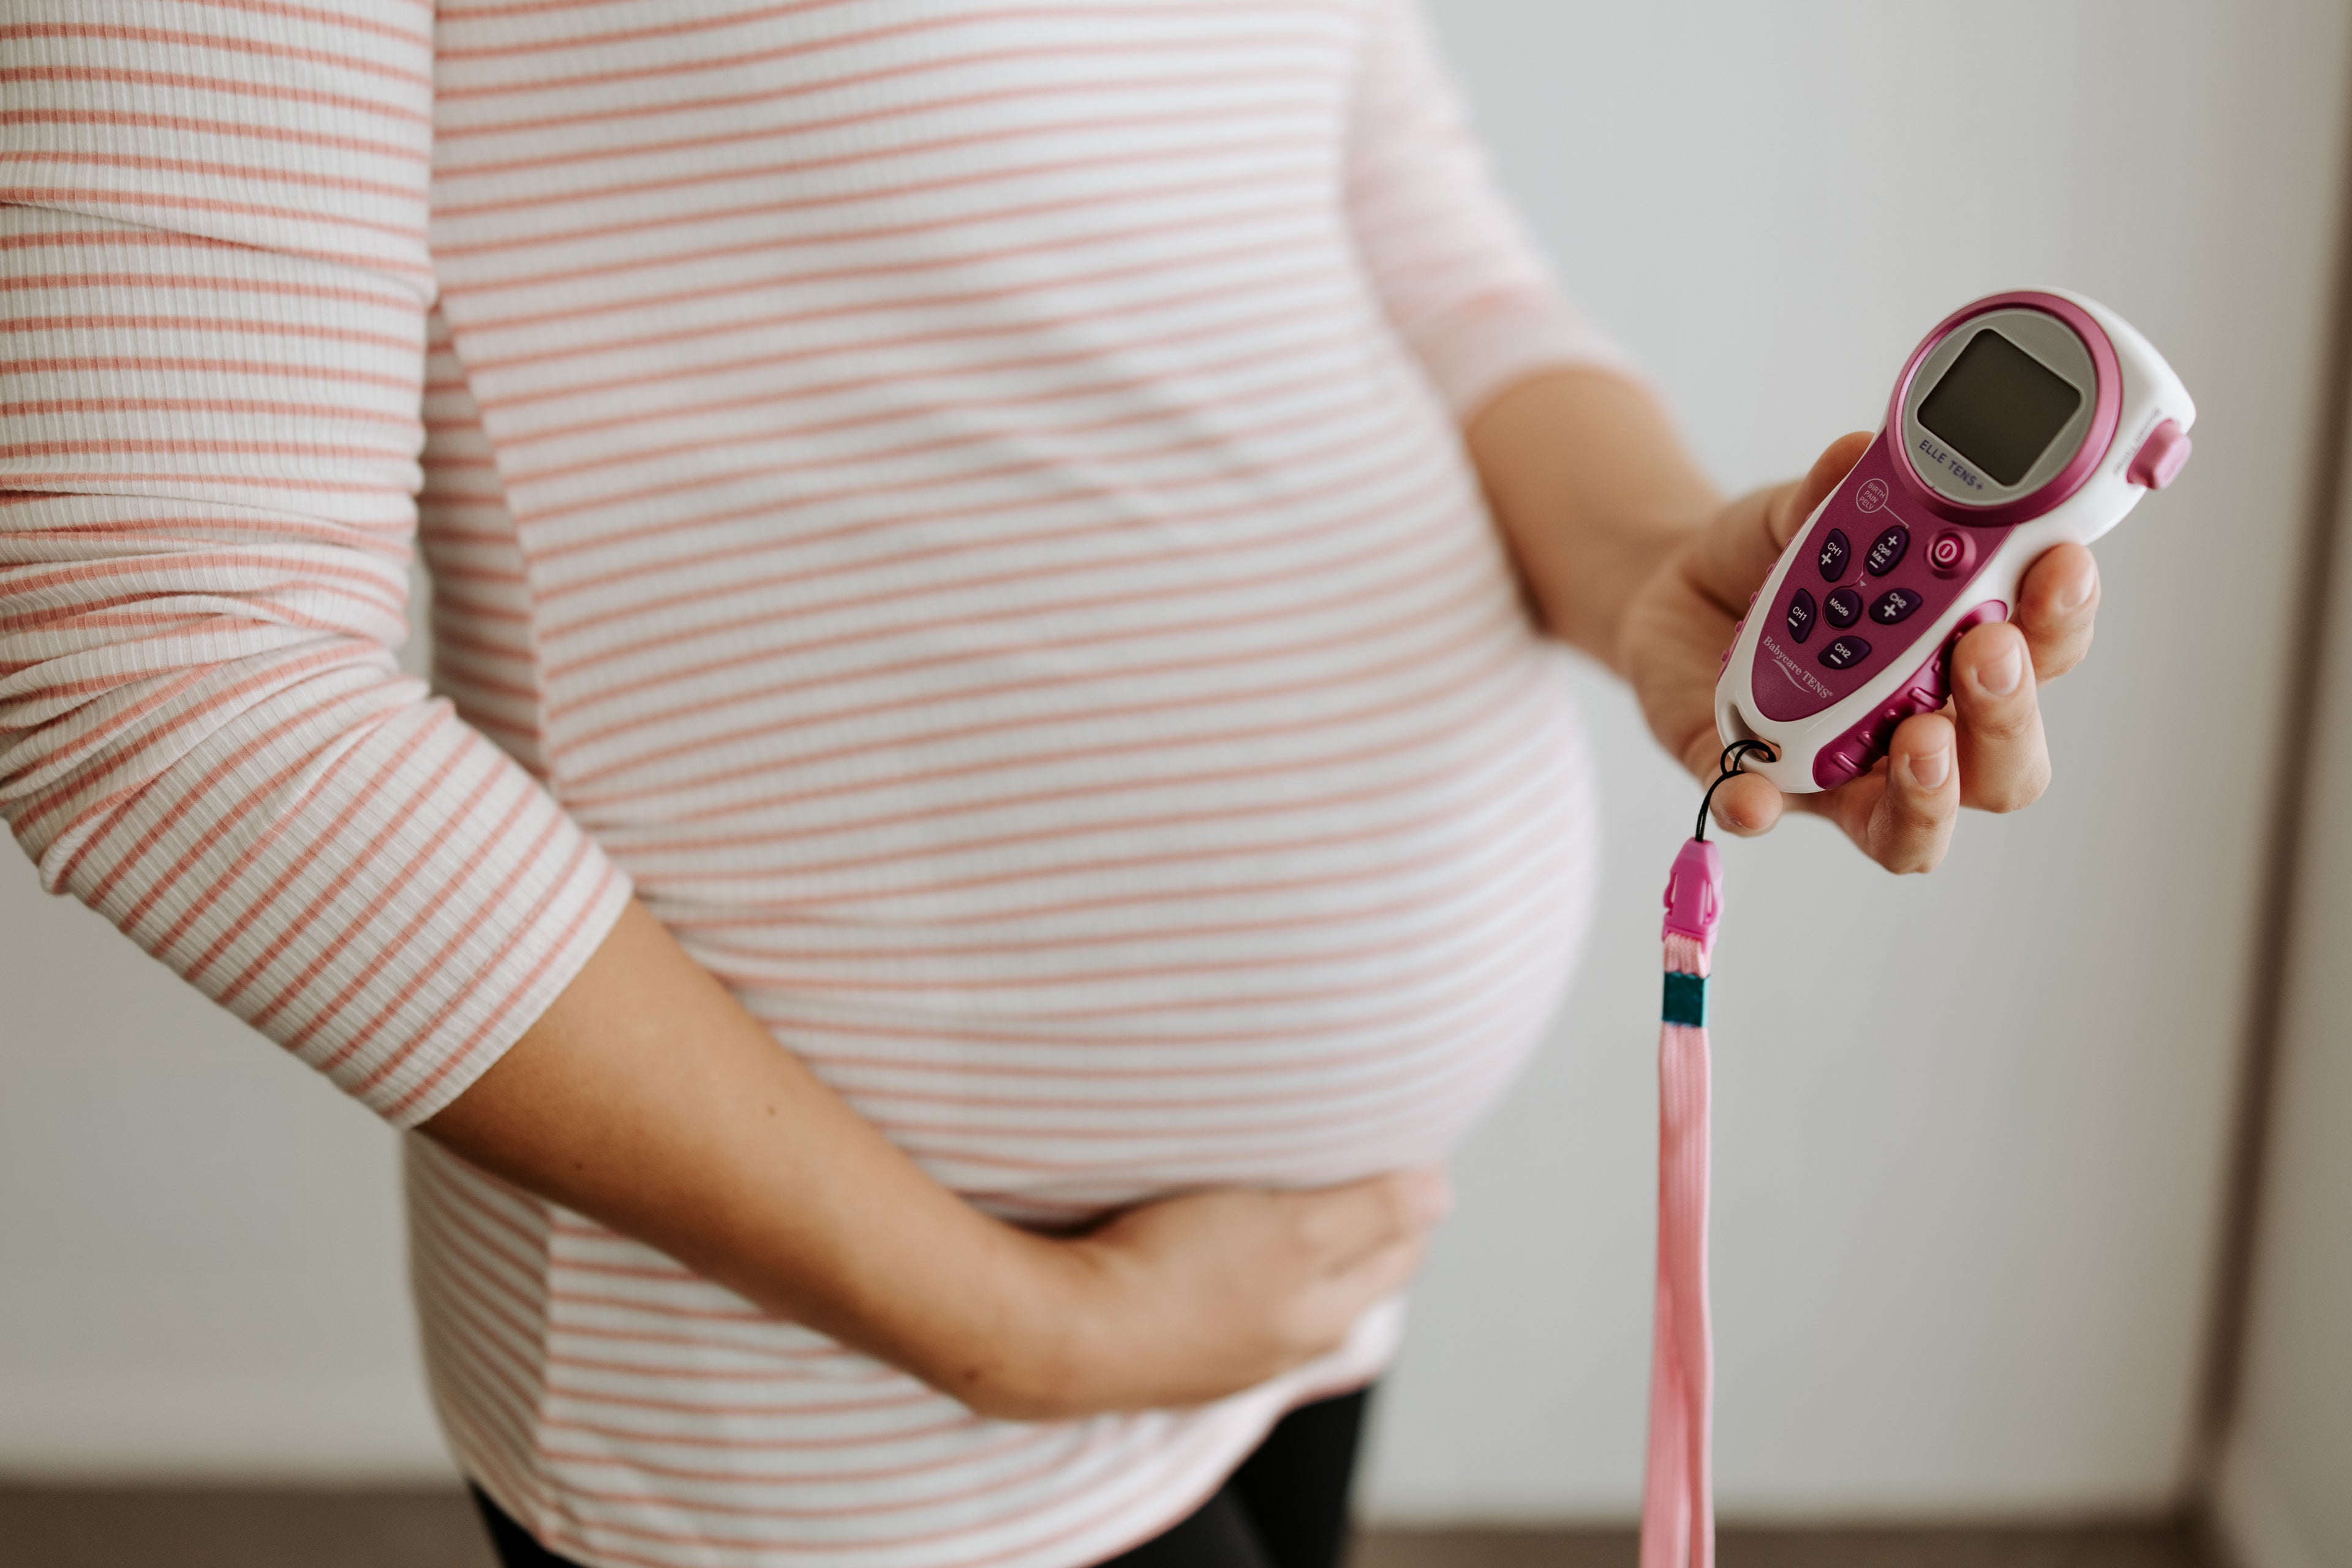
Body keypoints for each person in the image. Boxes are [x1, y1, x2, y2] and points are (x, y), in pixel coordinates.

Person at [0, 3, 2096, 1566]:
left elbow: (1400, 218)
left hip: (1280, 1307)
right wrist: (1025, 1332)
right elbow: (167, 680)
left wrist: (1669, 581)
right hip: (835, 1403)